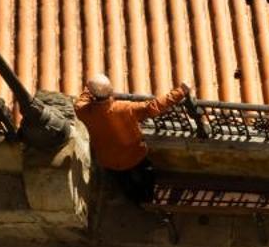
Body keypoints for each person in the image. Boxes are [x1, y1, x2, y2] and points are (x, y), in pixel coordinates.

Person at [75, 73, 189, 204]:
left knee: (124, 182)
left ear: (92, 95)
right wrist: (181, 91)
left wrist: (89, 90)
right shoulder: (125, 108)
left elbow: (82, 100)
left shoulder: (82, 111)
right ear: (111, 91)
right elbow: (155, 106)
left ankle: (134, 200)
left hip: (109, 160)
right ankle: (148, 199)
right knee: (147, 176)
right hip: (135, 155)